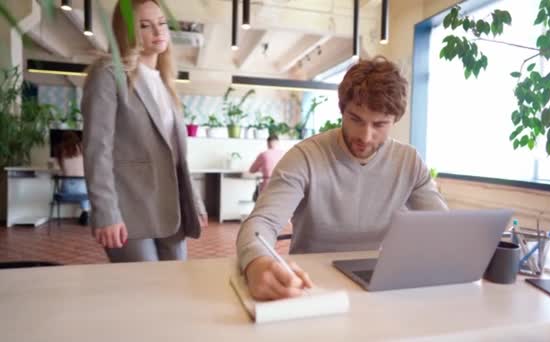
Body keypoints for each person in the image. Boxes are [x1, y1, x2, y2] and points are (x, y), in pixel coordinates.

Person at [236, 56, 448, 300]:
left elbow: (442, 226)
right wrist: (257, 263)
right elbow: (261, 223)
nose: (365, 136)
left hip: (377, 283)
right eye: (355, 119)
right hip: (311, 284)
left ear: (394, 120)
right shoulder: (304, 157)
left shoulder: (409, 162)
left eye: (379, 124)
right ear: (342, 110)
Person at [81, 0, 207, 263]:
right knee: (141, 291)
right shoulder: (108, 74)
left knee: (174, 287)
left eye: (161, 23)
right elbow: (97, 150)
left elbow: (176, 155)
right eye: (145, 26)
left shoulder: (166, 83)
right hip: (129, 207)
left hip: (171, 208)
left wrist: (194, 202)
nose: (158, 32)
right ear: (127, 31)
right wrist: (106, 213)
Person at [55, 131, 90, 226]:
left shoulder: (60, 150)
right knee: (87, 188)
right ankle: (85, 212)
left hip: (66, 191)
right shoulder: (82, 148)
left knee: (81, 186)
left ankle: (85, 213)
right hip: (82, 190)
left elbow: (61, 169)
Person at [249, 134, 285, 198]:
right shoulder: (284, 154)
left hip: (267, 188)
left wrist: (261, 169)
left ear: (267, 143)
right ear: (278, 143)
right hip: (282, 187)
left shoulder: (263, 155)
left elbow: (252, 170)